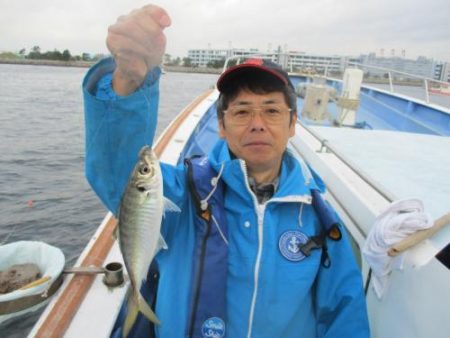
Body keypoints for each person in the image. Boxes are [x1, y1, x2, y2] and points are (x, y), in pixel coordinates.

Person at [83, 4, 370, 338]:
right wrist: (129, 80)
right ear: (221, 125)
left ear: (293, 124)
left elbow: (344, 315)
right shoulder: (185, 192)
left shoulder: (321, 218)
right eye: (242, 111)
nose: (258, 125)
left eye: (272, 111)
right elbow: (118, 174)